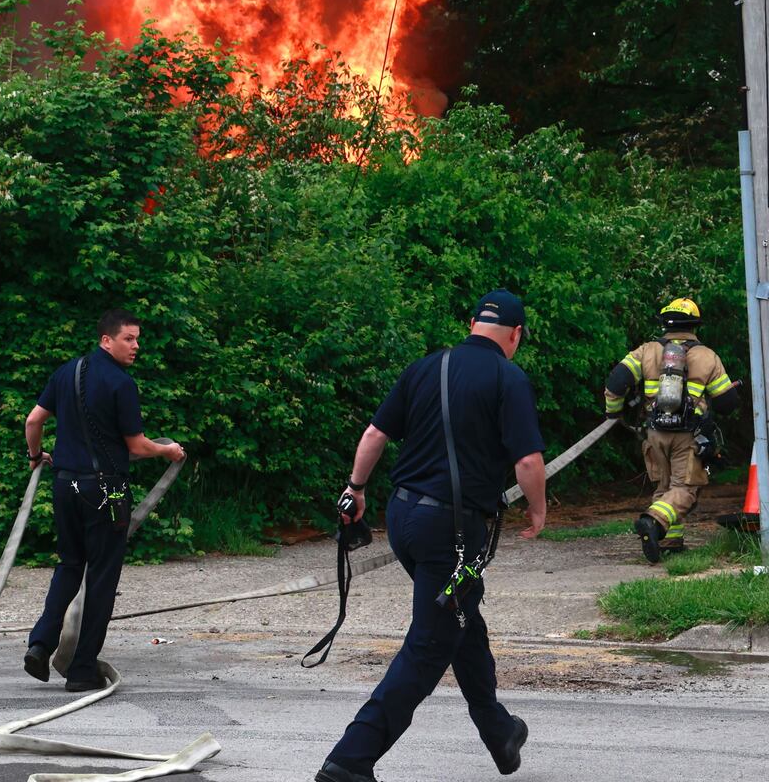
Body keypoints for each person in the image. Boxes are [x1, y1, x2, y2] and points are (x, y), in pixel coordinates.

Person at [315, 289, 548, 782]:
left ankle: (498, 731)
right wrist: (539, 510)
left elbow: (376, 435)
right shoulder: (508, 376)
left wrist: (355, 489)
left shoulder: (425, 368)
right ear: (516, 334)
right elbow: (528, 462)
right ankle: (350, 760)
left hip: (402, 516)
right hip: (452, 529)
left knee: (459, 616)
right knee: (428, 644)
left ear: (471, 324)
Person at [22, 308, 186, 691]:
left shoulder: (66, 372)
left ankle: (40, 643)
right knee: (101, 579)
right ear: (106, 340)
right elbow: (138, 446)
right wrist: (169, 452)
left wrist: (35, 457)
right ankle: (81, 671)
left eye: (137, 339)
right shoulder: (121, 383)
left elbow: (33, 422)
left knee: (69, 565)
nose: (136, 346)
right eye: (129, 338)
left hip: (65, 485)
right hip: (107, 489)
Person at [603, 297, 740, 562]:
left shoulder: (646, 351)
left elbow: (615, 383)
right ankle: (653, 522)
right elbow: (726, 404)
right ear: (695, 326)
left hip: (654, 432)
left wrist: (614, 413)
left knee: (664, 486)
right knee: (685, 489)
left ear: (664, 323)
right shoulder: (707, 356)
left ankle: (669, 540)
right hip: (687, 436)